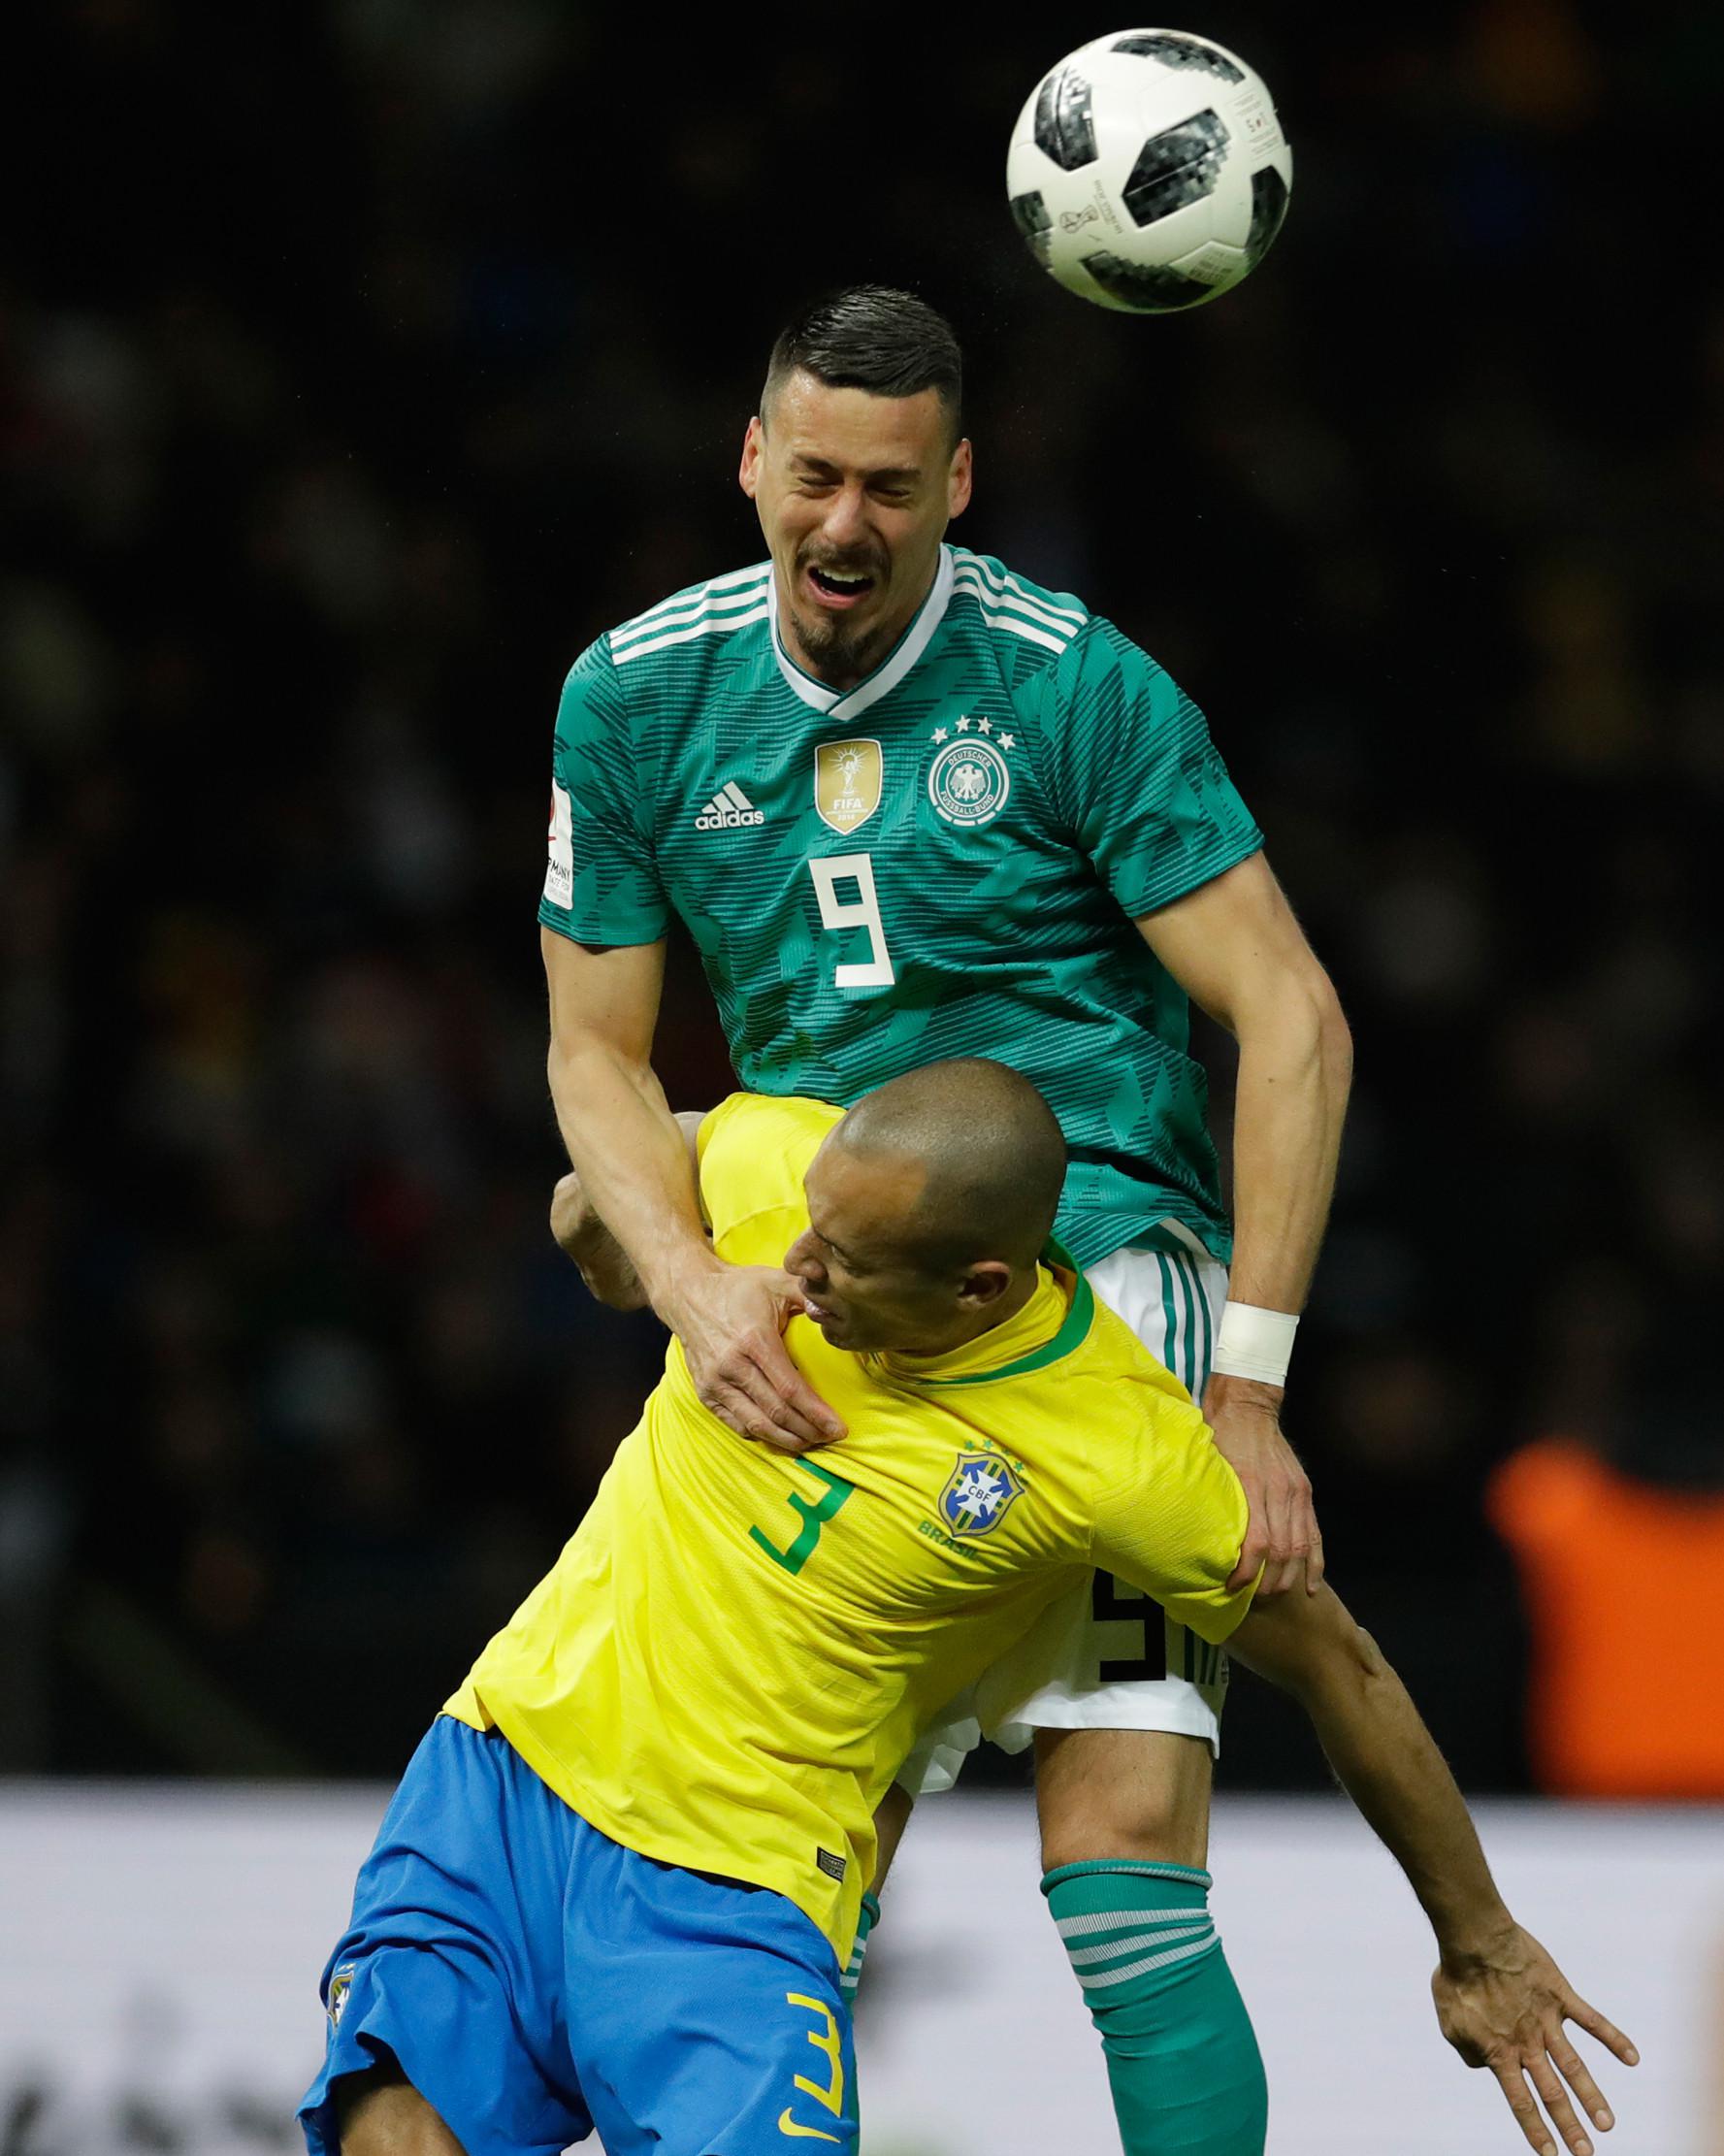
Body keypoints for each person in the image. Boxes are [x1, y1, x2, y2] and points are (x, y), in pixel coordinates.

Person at [539, 282, 1352, 2147]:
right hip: (827, 1281)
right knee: (786, 1833)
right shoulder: (637, 693)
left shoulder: (1072, 682)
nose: (847, 526)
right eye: (813, 476)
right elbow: (593, 1050)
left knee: (1121, 1842)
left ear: (959, 479)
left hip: (1096, 1269)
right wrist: (692, 1285)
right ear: (749, 460)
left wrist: (1246, 1384)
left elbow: (1290, 1014)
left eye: (893, 489)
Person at [300, 1063, 1634, 2156]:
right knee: (392, 2130)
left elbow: (1341, 1666)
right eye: (807, 1230)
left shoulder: (1115, 1449)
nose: (803, 1266)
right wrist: (666, 1263)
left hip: (735, 1889)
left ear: (977, 1285)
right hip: (504, 1762)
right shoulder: (782, 1163)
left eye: (847, 1261)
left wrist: (1479, 1937)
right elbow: (588, 1198)